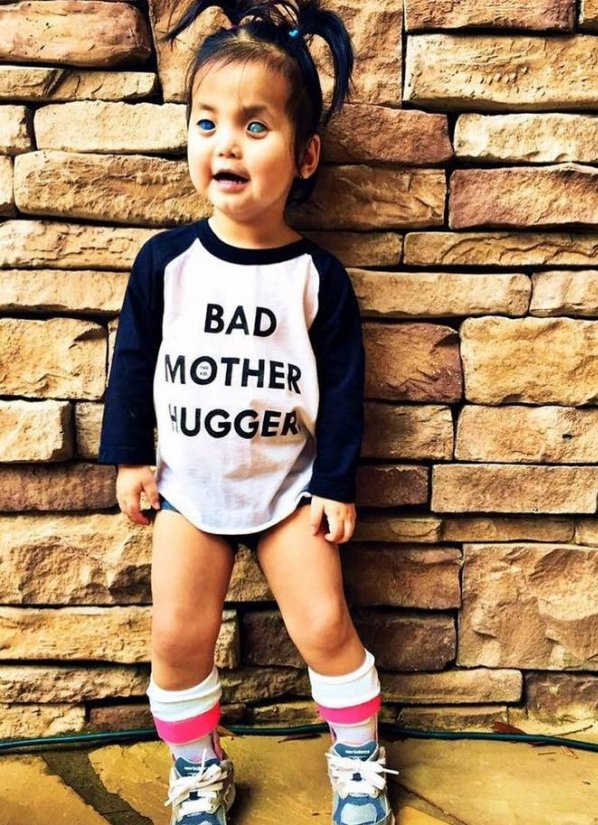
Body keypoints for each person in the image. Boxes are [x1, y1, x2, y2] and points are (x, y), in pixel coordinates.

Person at [98, 1, 397, 823]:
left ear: (305, 156)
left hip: (290, 491)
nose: (225, 144)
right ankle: (199, 769)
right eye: (207, 123)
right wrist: (130, 457)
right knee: (176, 638)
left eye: (254, 125)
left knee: (325, 623)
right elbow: (131, 365)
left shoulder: (317, 277)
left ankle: (358, 760)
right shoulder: (165, 263)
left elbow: (344, 390)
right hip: (188, 490)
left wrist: (335, 483)